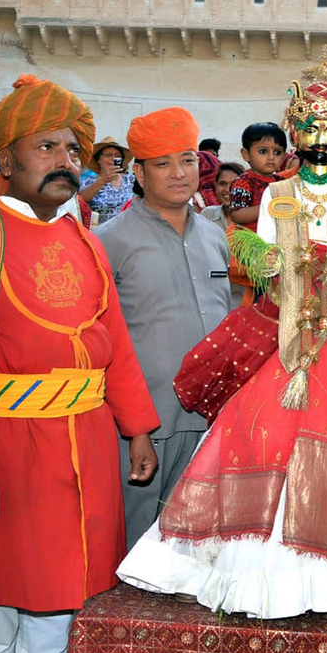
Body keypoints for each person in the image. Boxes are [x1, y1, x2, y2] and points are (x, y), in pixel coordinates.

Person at [116, 60, 327, 618]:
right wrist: (273, 263)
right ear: (295, 131)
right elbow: (269, 268)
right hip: (283, 328)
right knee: (256, 433)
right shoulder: (275, 195)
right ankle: (230, 562)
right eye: (311, 126)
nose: (321, 137)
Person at [0, 74, 159, 653]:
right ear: (7, 159)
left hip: (88, 443)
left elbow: (113, 341)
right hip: (9, 448)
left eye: (72, 150)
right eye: (46, 147)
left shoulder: (86, 240)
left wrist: (137, 428)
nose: (65, 161)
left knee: (66, 604)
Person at [96, 108, 231, 549]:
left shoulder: (216, 236)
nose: (179, 173)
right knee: (135, 544)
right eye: (162, 163)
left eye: (187, 160)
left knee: (195, 544)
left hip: (210, 417)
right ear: (139, 172)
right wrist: (133, 426)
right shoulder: (108, 241)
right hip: (143, 424)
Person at [224, 122, 289, 306]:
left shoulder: (282, 182)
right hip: (252, 246)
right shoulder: (244, 181)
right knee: (260, 295)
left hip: (278, 244)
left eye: (277, 152)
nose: (271, 157)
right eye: (263, 151)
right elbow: (237, 214)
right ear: (246, 154)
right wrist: (269, 207)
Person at [79, 136, 135, 225]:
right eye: (108, 155)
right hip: (99, 234)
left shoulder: (131, 180)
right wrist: (104, 179)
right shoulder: (88, 182)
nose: (113, 158)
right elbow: (79, 202)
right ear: (98, 159)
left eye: (117, 156)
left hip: (126, 232)